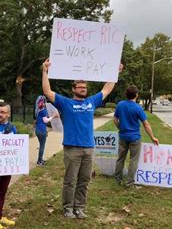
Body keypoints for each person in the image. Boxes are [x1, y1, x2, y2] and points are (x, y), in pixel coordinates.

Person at [42, 58, 123, 219]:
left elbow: (107, 89)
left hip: (88, 147)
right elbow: (47, 92)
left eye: (84, 87)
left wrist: (115, 73)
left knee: (84, 180)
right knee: (70, 180)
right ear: (74, 89)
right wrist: (45, 71)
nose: (83, 89)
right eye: (80, 87)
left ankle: (79, 207)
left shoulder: (91, 101)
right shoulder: (66, 103)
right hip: (72, 148)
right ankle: (67, 208)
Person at [114, 85, 159, 187]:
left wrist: (120, 128)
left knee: (120, 158)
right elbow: (146, 124)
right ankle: (130, 183)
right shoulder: (138, 108)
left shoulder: (120, 105)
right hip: (135, 138)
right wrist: (153, 137)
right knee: (133, 160)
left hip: (123, 136)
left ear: (126, 94)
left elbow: (115, 119)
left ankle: (117, 180)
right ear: (136, 95)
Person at [34, 95, 59, 166]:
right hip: (42, 131)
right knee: (42, 146)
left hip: (37, 130)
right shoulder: (43, 110)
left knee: (41, 145)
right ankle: (39, 161)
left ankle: (40, 159)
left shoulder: (38, 110)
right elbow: (45, 121)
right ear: (44, 102)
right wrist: (54, 116)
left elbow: (42, 120)